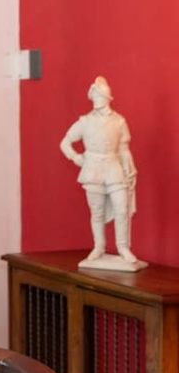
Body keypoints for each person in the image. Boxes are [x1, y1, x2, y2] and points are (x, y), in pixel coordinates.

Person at [59, 75, 139, 264]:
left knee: (121, 208)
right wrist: (76, 158)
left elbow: (123, 148)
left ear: (106, 98)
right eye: (93, 96)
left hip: (113, 167)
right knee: (97, 212)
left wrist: (130, 168)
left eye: (98, 95)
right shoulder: (85, 121)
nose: (95, 99)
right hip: (93, 169)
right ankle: (99, 246)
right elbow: (65, 142)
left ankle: (123, 247)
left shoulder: (119, 121)